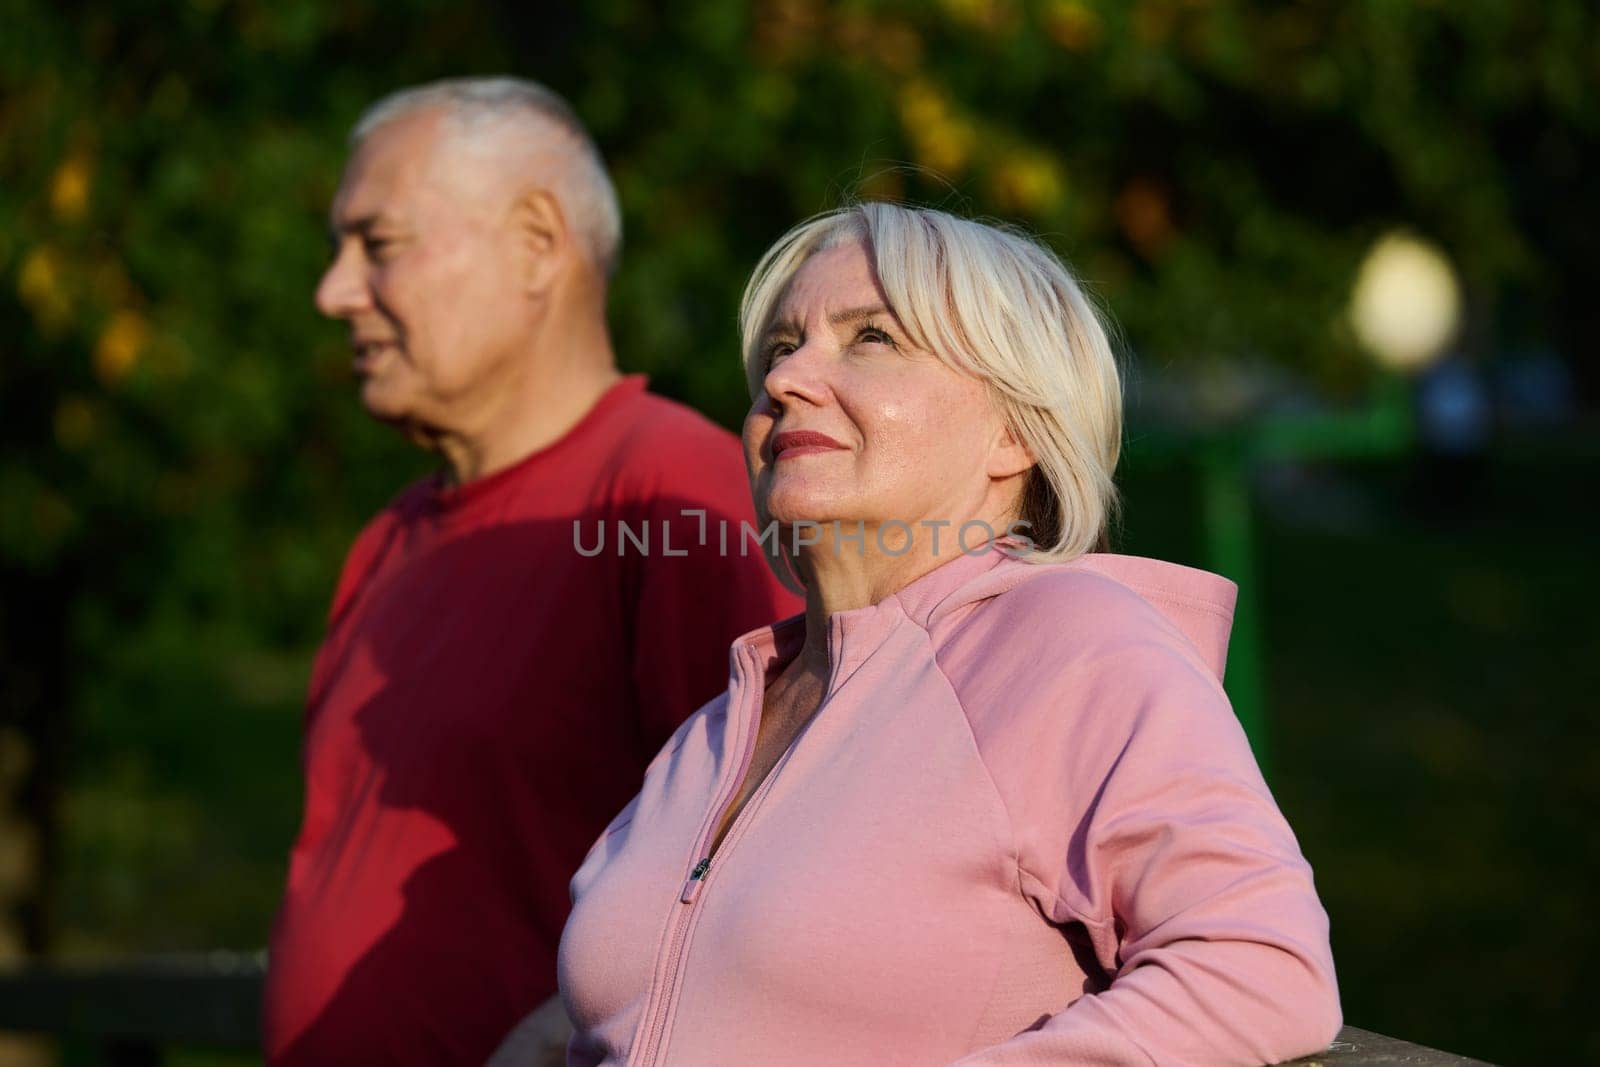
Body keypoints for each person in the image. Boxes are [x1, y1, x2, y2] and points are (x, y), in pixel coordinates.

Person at [558, 202, 1342, 1065]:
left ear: (1013, 429)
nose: (786, 381)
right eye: (781, 350)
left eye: (871, 339)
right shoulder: (720, 721)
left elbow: (1261, 966)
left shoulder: (1074, 647)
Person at [262, 77, 799, 1066]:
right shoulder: (388, 538)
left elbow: (770, 859)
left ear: (539, 243)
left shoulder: (664, 496)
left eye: (379, 245)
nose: (332, 292)